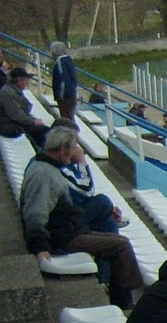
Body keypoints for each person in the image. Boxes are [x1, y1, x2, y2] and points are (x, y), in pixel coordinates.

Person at [19, 124, 144, 307]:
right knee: (121, 245)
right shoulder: (44, 176)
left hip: (69, 230)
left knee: (111, 230)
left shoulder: (45, 167)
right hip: (62, 238)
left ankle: (121, 298)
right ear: (63, 149)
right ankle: (126, 303)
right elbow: (35, 217)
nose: (76, 152)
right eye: (74, 147)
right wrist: (40, 248)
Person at [60, 139, 129, 234]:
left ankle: (114, 241)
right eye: (75, 147)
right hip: (65, 223)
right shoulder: (59, 168)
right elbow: (87, 191)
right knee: (103, 202)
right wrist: (82, 161)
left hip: (71, 212)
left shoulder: (65, 164)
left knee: (110, 224)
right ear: (63, 148)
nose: (79, 151)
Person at [0, 66, 49, 150]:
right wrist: (33, 121)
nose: (27, 82)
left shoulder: (16, 91)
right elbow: (16, 115)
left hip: (14, 123)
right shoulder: (7, 93)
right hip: (9, 127)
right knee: (44, 132)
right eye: (25, 80)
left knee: (46, 130)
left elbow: (27, 107)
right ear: (18, 81)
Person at [49, 41, 78, 123]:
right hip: (72, 93)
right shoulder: (69, 60)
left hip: (66, 96)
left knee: (66, 118)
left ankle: (72, 134)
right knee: (70, 117)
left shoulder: (60, 62)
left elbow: (62, 80)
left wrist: (61, 95)